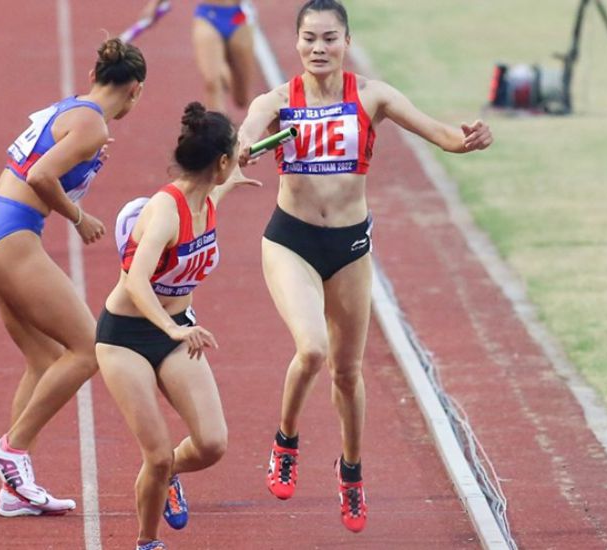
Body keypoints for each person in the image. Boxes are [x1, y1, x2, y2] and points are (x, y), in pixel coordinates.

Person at [235, 0, 493, 533]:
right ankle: (286, 442)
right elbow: (246, 134)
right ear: (297, 43)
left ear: (346, 42)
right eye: (308, 38)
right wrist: (242, 149)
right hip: (292, 241)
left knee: (348, 372)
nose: (318, 48)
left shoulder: (372, 96)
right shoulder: (278, 100)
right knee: (311, 349)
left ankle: (351, 473)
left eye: (329, 38)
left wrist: (467, 139)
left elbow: (440, 133)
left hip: (350, 246)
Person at [0, 37, 147, 517]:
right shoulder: (92, 125)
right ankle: (10, 449)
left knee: (45, 358)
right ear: (135, 91)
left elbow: (40, 165)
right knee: (89, 348)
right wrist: (78, 216)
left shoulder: (75, 111)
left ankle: (13, 489)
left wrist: (84, 167)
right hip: (12, 236)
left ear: (96, 76)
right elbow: (40, 177)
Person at [97, 102, 258, 550]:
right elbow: (134, 281)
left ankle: (170, 477)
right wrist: (171, 331)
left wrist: (237, 171)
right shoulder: (166, 211)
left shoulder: (208, 194)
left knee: (211, 444)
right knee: (157, 453)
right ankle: (148, 541)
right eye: (230, 158)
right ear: (218, 162)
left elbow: (220, 181)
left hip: (176, 328)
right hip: (125, 338)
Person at [139, 0, 255, 114]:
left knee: (241, 100)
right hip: (207, 16)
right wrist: (153, 5)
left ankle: (223, 71)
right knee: (211, 83)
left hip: (238, 16)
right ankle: (220, 130)